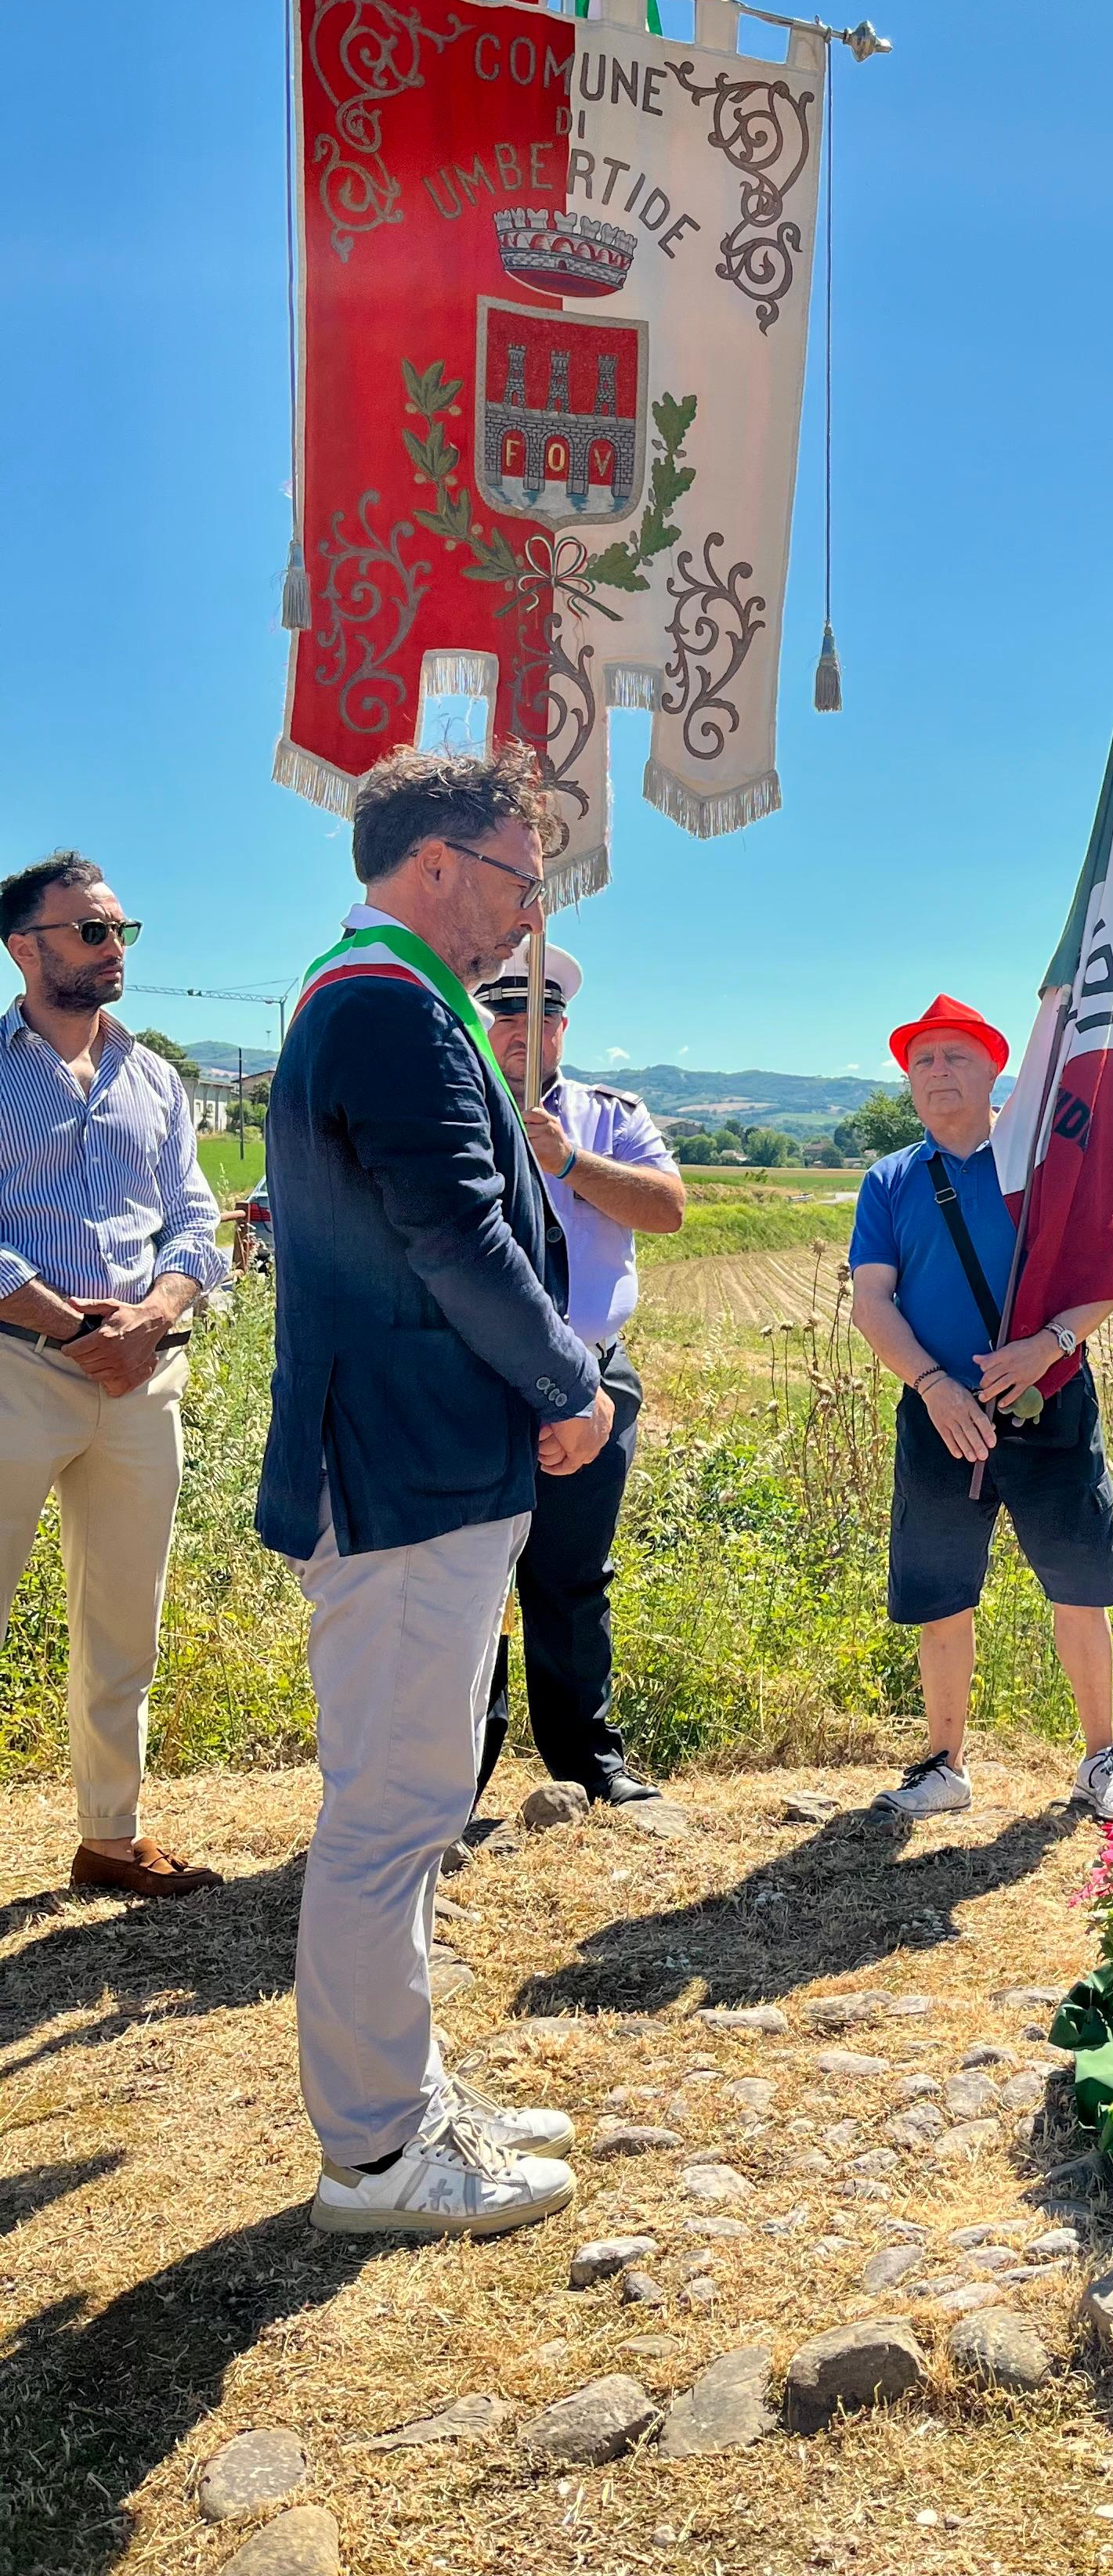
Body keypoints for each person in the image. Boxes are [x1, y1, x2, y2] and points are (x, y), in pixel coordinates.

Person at [257, 745, 613, 2239]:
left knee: (404, 1805)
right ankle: (377, 2155)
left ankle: (401, 2093)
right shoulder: (389, 1007)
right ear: (437, 866)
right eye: (522, 879)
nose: (529, 915)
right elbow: (459, 1234)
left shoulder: (393, 1000)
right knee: (391, 1811)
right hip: (402, 1469)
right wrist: (566, 1383)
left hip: (420, 1460)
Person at [847, 993, 1113, 1827]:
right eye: (922, 1061)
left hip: (1049, 1404)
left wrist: (1048, 1345)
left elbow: (1102, 1278)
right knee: (941, 1597)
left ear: (995, 1073)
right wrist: (933, 1387)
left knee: (1078, 1587)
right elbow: (872, 1303)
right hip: (938, 1416)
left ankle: (1102, 1759)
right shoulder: (889, 1182)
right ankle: (943, 1766)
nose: (936, 1073)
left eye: (955, 1058)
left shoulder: (1046, 1169)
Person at [0, 851, 229, 1897]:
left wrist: (154, 1314)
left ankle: (106, 1834)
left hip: (143, 1379)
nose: (114, 949)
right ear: (25, 946)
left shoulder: (155, 1081)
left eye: (121, 931)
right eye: (92, 931)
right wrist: (67, 1326)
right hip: (15, 1369)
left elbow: (194, 1216)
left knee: (122, 1618)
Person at [471, 941, 685, 1807]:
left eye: (539, 1014)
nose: (522, 1029)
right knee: (472, 1580)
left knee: (571, 1576)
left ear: (563, 1027)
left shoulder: (609, 1114)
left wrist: (567, 1162)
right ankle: (460, 1772)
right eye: (505, 1013)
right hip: (482, 1379)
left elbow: (666, 1208)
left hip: (595, 1376)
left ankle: (586, 1760)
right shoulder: (457, 1110)